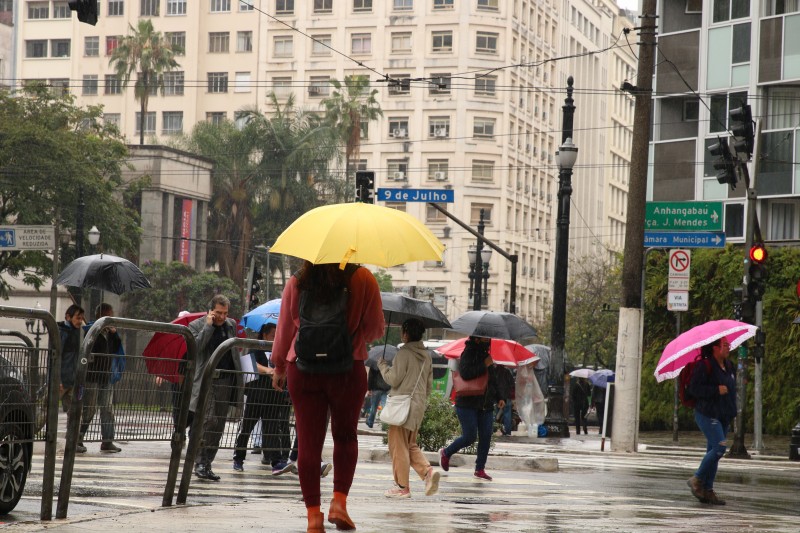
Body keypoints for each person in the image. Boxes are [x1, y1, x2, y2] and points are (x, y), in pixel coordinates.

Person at [272, 261, 384, 533]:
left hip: (303, 367)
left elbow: (285, 329)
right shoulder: (363, 278)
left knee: (309, 442)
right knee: (345, 436)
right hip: (347, 366)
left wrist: (278, 365)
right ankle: (339, 503)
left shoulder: (297, 280)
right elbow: (374, 331)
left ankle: (313, 517)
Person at [378, 318, 440, 498]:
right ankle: (428, 472)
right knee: (410, 444)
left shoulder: (404, 353)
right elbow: (428, 386)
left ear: (406, 333)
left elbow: (393, 379)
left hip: (402, 406)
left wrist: (383, 366)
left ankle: (402, 487)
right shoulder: (426, 356)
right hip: (418, 405)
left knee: (398, 446)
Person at [439, 336, 511, 482]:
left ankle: (480, 469)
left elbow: (493, 379)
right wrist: (484, 364)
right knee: (469, 436)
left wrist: (500, 397)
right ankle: (446, 453)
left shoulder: (487, 356)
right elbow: (465, 374)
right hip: (467, 403)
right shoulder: (468, 353)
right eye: (485, 338)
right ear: (477, 339)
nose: (487, 341)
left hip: (485, 404)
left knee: (486, 437)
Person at [188, 295, 239, 482]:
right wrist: (208, 327)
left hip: (226, 380)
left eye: (225, 313)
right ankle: (199, 462)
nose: (222, 317)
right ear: (210, 310)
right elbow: (196, 348)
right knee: (208, 420)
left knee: (219, 425)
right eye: (218, 313)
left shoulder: (231, 325)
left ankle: (208, 463)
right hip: (207, 379)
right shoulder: (197, 325)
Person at [686, 337, 736, 506]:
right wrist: (716, 390)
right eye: (725, 345)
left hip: (724, 415)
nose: (729, 347)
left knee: (714, 453)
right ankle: (697, 478)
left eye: (729, 344)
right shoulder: (704, 366)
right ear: (715, 348)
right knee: (720, 447)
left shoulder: (729, 366)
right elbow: (694, 389)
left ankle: (707, 490)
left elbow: (731, 389)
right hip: (707, 414)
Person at [233, 322, 282, 473]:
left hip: (273, 396)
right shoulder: (255, 346)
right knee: (247, 427)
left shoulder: (279, 349)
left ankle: (276, 461)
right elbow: (250, 364)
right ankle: (239, 458)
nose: (275, 339)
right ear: (265, 335)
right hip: (256, 394)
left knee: (272, 428)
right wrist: (268, 370)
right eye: (273, 336)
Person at [78, 303, 122, 453]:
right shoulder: (92, 330)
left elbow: (116, 348)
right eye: (110, 314)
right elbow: (88, 349)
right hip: (92, 376)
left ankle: (107, 440)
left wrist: (114, 333)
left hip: (105, 375)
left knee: (107, 408)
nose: (112, 317)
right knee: (89, 409)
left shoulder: (110, 333)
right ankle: (79, 437)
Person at [59, 304, 85, 415]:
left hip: (71, 380)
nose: (80, 321)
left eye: (82, 318)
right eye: (77, 318)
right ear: (68, 317)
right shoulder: (63, 332)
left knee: (74, 411)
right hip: (62, 381)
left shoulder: (75, 332)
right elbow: (56, 356)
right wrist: (58, 380)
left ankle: (72, 432)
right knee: (47, 408)